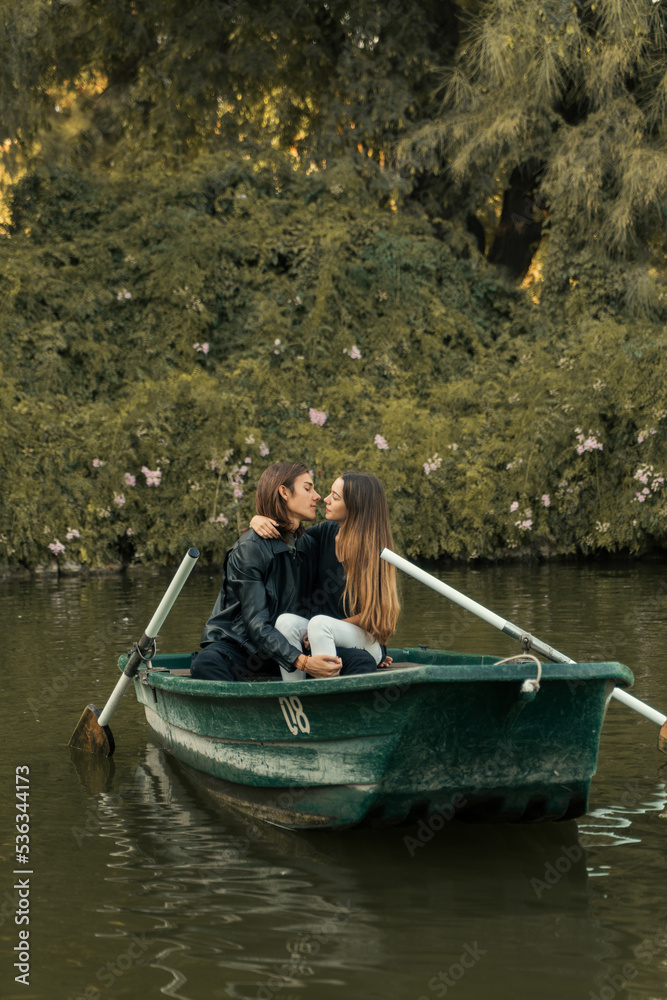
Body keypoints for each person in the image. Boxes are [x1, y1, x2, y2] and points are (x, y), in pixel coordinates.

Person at [192, 462, 377, 681]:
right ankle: (245, 711)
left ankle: (327, 711)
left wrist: (371, 647)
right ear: (284, 492)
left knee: (361, 660)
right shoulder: (250, 547)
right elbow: (256, 625)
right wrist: (304, 662)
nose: (318, 496)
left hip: (291, 642)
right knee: (206, 663)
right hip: (244, 648)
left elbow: (357, 523)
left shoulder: (311, 544)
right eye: (308, 488)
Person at [250, 471, 400, 675]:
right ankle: (294, 696)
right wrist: (257, 520)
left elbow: (374, 615)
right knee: (285, 622)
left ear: (355, 507)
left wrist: (321, 629)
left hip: (363, 640)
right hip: (320, 634)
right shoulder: (326, 533)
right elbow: (288, 535)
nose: (326, 500)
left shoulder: (376, 552)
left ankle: (326, 697)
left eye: (335, 497)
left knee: (320, 624)